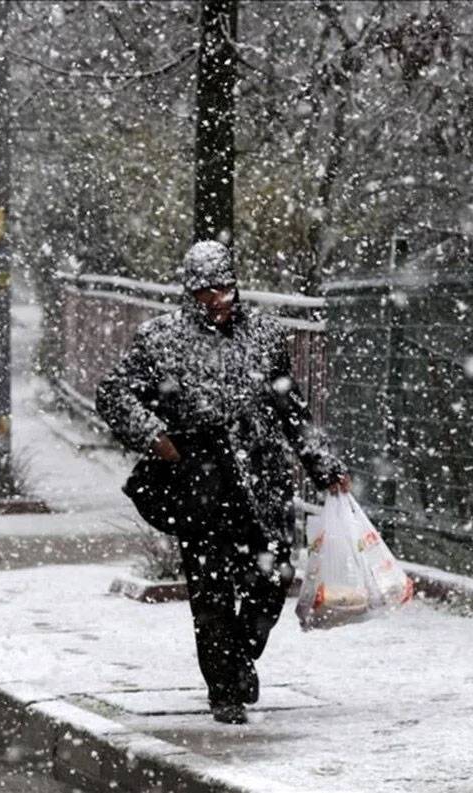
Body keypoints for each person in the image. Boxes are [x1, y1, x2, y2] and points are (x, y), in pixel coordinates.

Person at [96, 240, 350, 725]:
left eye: (222, 288)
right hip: (199, 480)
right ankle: (224, 690)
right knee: (211, 590)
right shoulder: (159, 340)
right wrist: (156, 438)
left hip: (260, 477)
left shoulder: (266, 336)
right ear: (189, 293)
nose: (214, 299)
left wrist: (322, 463)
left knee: (274, 576)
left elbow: (289, 409)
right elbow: (114, 394)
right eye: (203, 291)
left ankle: (241, 655)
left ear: (235, 287)